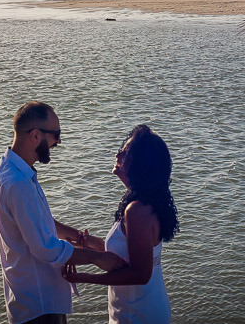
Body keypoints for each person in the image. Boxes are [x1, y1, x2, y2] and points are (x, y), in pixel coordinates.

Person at [0, 101, 126, 324]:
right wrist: (97, 258)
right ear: (35, 135)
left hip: (31, 298)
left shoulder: (10, 168)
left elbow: (37, 221)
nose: (59, 141)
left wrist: (79, 238)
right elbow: (45, 249)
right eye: (55, 134)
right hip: (39, 306)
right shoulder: (18, 183)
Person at [62, 124, 179, 324]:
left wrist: (85, 277)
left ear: (139, 164)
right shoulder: (142, 200)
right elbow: (127, 254)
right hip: (139, 308)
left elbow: (140, 274)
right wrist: (92, 244)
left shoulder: (137, 210)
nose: (117, 156)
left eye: (124, 153)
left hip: (139, 314)